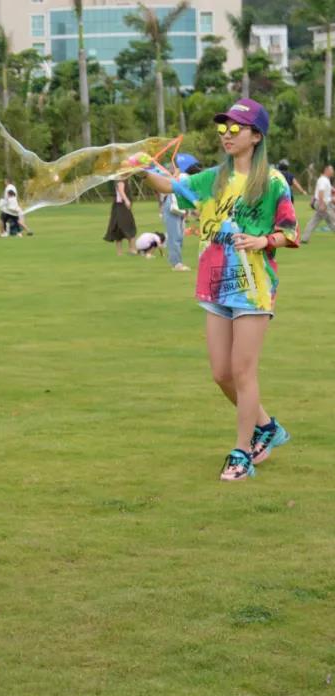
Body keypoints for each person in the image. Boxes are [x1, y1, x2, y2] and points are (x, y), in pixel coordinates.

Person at [137, 98, 299, 481]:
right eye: (223, 128)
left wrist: (263, 241)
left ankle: (242, 452)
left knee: (243, 371)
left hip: (253, 288)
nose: (226, 134)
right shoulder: (213, 179)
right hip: (215, 285)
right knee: (221, 373)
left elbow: (290, 232)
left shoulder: (272, 182)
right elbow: (169, 184)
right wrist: (141, 170)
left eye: (235, 128)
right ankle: (267, 427)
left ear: (256, 136)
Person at [301, 164, 335, 244]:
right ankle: (304, 239)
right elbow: (321, 192)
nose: (333, 172)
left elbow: (326, 191)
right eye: (331, 170)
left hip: (322, 203)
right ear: (326, 170)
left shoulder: (325, 180)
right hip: (323, 204)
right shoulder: (323, 180)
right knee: (332, 220)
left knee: (314, 221)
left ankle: (304, 238)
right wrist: (322, 204)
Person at [104, 179, 136, 254]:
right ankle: (131, 249)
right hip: (121, 207)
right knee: (128, 226)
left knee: (119, 227)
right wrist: (126, 200)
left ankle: (120, 251)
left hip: (118, 207)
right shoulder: (121, 179)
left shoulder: (121, 179)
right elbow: (121, 191)